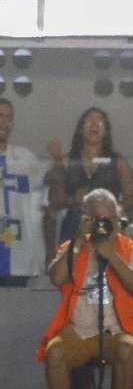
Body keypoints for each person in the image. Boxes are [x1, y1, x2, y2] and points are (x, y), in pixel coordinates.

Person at [37, 188, 133, 389]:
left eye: (108, 220)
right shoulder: (72, 246)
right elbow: (57, 278)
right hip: (78, 330)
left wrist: (112, 257)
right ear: (85, 219)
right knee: (54, 352)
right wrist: (79, 241)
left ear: (117, 218)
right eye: (97, 220)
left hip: (116, 330)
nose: (104, 226)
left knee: (128, 349)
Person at [46, 107, 133, 245]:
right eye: (89, 121)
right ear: (81, 129)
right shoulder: (66, 161)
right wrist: (73, 199)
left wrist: (108, 209)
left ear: (106, 131)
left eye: (99, 122)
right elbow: (53, 200)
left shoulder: (118, 162)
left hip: (108, 228)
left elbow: (132, 200)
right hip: (74, 229)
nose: (94, 125)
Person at [0, 98, 45, 286]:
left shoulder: (26, 158)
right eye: (0, 116)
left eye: (8, 117)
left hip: (18, 246)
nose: (4, 122)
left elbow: (41, 202)